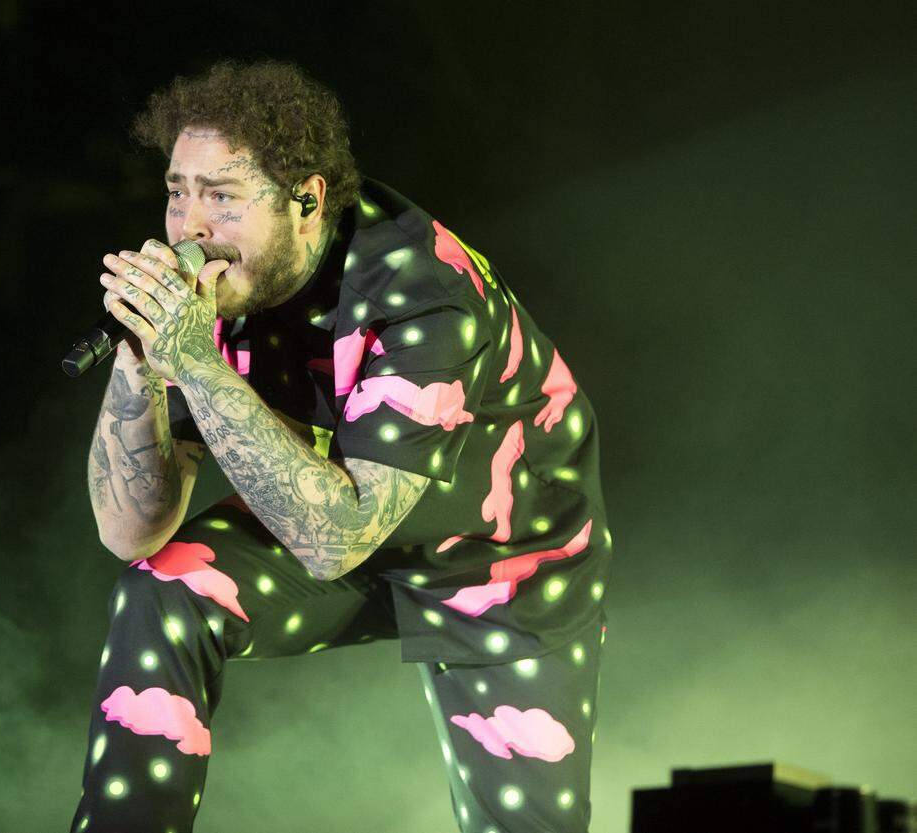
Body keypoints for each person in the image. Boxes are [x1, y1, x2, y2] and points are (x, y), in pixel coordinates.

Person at [72, 58, 612, 833]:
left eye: (220, 196)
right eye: (176, 191)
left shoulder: (425, 295)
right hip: (340, 518)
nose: (189, 226)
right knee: (162, 587)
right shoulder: (223, 294)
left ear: (306, 202)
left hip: (506, 562)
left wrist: (190, 358)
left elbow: (333, 540)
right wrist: (142, 356)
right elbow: (130, 532)